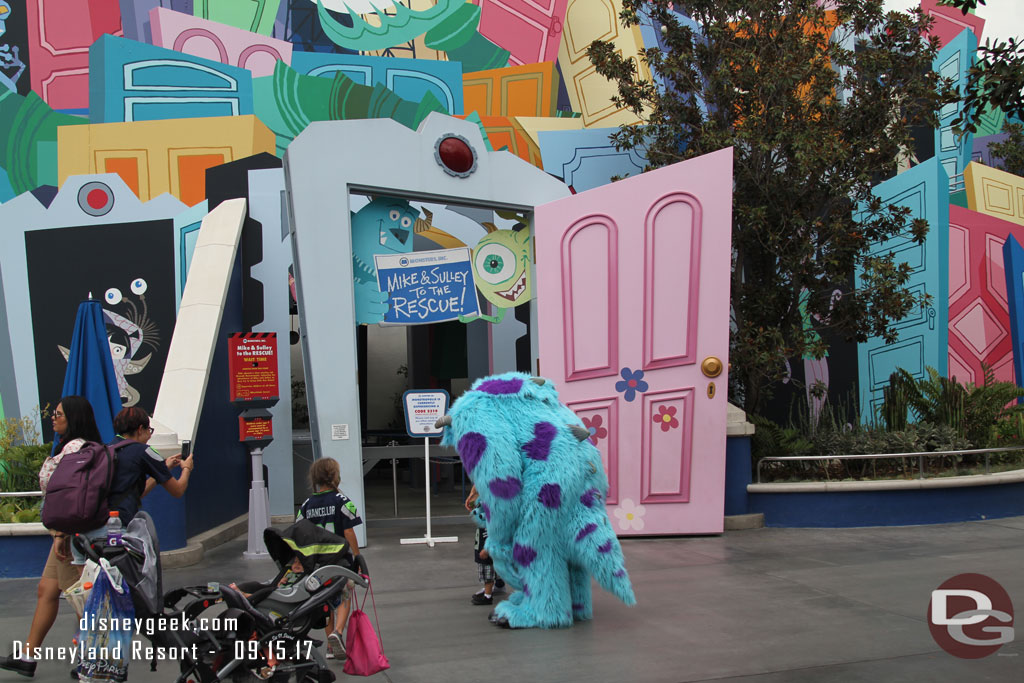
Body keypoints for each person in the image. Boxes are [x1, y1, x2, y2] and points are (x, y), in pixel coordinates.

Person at [0, 396, 102, 678]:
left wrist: (60, 534)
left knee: (81, 600)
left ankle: (96, 659)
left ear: (74, 417)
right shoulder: (73, 447)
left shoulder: (74, 448)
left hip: (67, 537)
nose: (53, 418)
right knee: (47, 591)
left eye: (59, 414)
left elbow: (69, 494)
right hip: (64, 534)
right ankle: (28, 656)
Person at [68, 406, 194, 566]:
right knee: (123, 587)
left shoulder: (104, 450)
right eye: (150, 430)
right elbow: (178, 490)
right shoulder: (144, 451)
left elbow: (135, 494)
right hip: (112, 534)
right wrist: (187, 468)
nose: (149, 435)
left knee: (89, 589)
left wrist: (163, 470)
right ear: (141, 429)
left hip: (81, 535)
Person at [297, 458, 362, 661]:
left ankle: (330, 646)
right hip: (339, 561)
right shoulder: (342, 502)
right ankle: (338, 633)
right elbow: (349, 530)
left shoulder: (307, 505)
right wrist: (357, 556)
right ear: (335, 477)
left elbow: (299, 530)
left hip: (316, 563)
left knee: (324, 601)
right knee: (343, 596)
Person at [465, 485, 503, 605]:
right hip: (490, 525)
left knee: (486, 561)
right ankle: (498, 585)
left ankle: (487, 595)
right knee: (495, 559)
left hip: (489, 528)